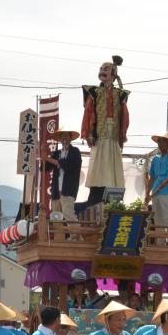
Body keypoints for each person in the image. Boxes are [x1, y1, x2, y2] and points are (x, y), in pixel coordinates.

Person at [77, 56, 129, 213]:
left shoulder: (120, 94)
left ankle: (111, 196)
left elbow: (125, 116)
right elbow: (88, 112)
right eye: (101, 69)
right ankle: (97, 196)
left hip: (113, 137)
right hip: (99, 136)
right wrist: (88, 132)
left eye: (106, 70)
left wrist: (122, 134)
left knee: (112, 167)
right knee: (99, 166)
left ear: (113, 75)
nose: (102, 72)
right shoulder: (94, 92)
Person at [45, 128, 82, 222]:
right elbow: (45, 167)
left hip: (68, 189)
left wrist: (47, 158)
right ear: (60, 139)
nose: (64, 138)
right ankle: (59, 237)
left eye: (67, 136)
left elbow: (66, 165)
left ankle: (76, 237)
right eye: (62, 136)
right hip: (56, 191)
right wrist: (43, 154)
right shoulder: (56, 153)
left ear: (70, 138)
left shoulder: (75, 152)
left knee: (68, 214)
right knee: (56, 217)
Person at [145, 133, 168, 228]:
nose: (161, 144)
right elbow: (152, 178)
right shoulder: (155, 159)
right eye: (159, 141)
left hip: (167, 193)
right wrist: (147, 193)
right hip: (155, 193)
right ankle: (160, 243)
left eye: (163, 141)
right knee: (158, 220)